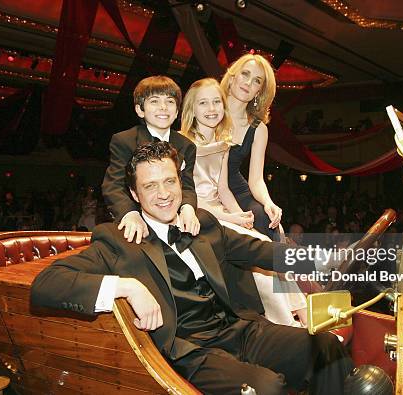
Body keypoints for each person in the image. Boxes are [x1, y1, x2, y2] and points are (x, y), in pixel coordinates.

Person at [31, 142, 352, 395]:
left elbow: (264, 252)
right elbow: (47, 283)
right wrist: (126, 287)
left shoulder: (203, 224)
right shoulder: (117, 240)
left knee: (326, 348)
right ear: (134, 194)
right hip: (189, 351)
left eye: (169, 181)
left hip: (239, 330)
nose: (163, 194)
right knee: (266, 388)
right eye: (150, 186)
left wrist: (323, 260)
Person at [180, 78, 306, 327]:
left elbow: (224, 189)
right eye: (203, 103)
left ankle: (302, 314)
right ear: (191, 109)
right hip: (199, 214)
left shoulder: (224, 144)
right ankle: (286, 324)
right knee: (257, 252)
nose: (212, 108)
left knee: (262, 241)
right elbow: (189, 198)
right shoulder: (183, 145)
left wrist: (242, 218)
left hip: (223, 212)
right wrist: (231, 219)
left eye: (217, 101)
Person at [102, 75, 200, 244]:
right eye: (154, 101)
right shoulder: (124, 140)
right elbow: (113, 185)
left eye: (170, 101)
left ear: (177, 111)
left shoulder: (187, 145)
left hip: (173, 218)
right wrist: (130, 214)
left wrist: (188, 208)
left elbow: (188, 186)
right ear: (140, 109)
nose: (163, 107)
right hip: (139, 219)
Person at [221, 53, 282, 240]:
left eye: (256, 81)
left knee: (270, 225)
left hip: (237, 189)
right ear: (232, 77)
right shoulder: (208, 111)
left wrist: (268, 202)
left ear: (259, 92)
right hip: (204, 187)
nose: (248, 82)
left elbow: (255, 179)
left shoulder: (258, 128)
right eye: (245, 74)